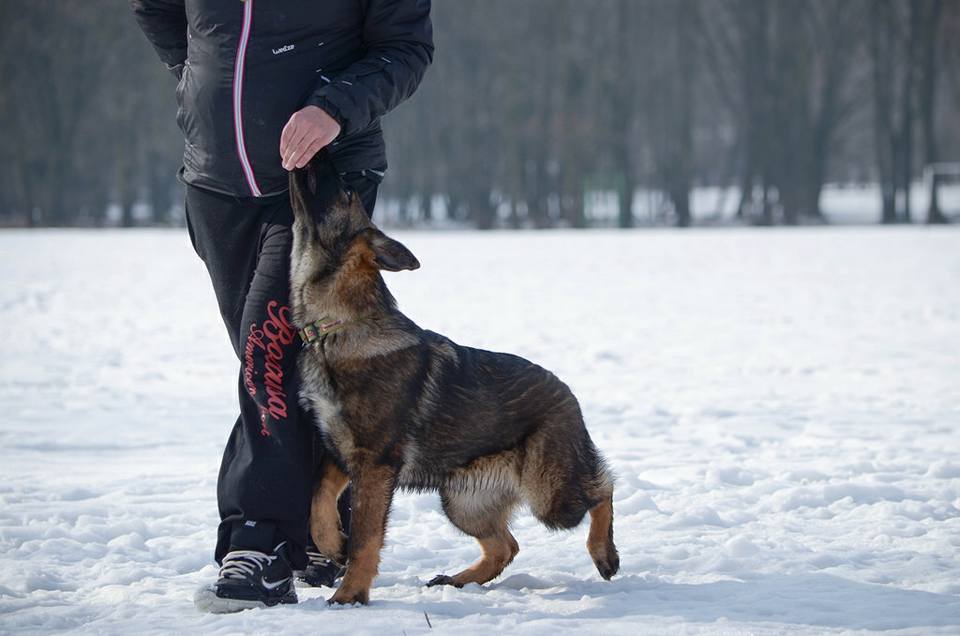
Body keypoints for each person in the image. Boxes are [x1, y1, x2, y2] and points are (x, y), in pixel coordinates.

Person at [130, 0, 433, 613]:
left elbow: (405, 48)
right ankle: (327, 529)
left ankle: (259, 544)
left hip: (320, 185)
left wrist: (332, 108)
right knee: (276, 367)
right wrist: (195, 80)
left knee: (265, 359)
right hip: (214, 183)